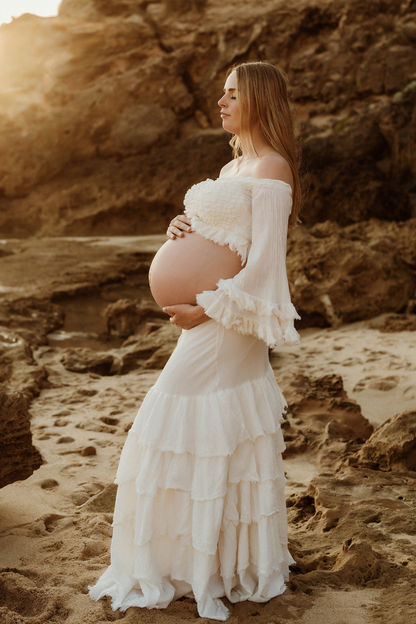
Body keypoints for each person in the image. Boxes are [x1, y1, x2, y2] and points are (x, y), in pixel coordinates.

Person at [89, 61, 301, 621]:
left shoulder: (272, 168)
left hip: (229, 322)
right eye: (222, 92)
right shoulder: (235, 167)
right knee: (197, 430)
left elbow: (266, 267)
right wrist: (178, 229)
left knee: (179, 420)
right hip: (212, 318)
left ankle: (206, 566)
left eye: (232, 93)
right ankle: (202, 561)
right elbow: (219, 233)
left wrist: (203, 306)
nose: (221, 101)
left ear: (258, 99)